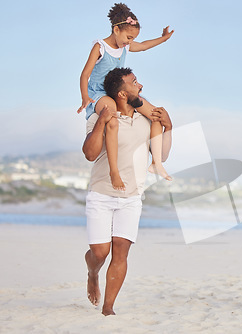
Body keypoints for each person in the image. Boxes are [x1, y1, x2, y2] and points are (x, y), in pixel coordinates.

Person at [82, 67, 172, 316]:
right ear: (122, 93)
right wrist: (101, 119)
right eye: (135, 83)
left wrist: (169, 127)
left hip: (132, 197)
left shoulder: (146, 121)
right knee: (100, 253)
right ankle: (92, 273)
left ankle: (108, 307)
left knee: (121, 250)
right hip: (101, 194)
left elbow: (161, 155)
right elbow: (90, 154)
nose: (140, 86)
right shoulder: (100, 117)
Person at [78, 3, 173, 191]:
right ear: (116, 29)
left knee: (155, 114)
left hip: (121, 92)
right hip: (100, 93)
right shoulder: (100, 47)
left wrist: (163, 39)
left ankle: (156, 163)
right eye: (128, 37)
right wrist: (85, 97)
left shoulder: (125, 47)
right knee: (111, 118)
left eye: (133, 39)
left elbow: (145, 46)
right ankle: (114, 171)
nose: (130, 42)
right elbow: (84, 74)